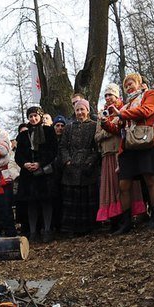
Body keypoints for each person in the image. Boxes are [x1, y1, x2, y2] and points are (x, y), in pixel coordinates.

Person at [103, 73, 154, 234]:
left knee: (150, 179)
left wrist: (121, 114)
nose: (129, 87)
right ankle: (126, 222)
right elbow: (118, 129)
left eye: (131, 84)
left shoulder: (148, 94)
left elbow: (147, 110)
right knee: (123, 184)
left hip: (145, 141)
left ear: (139, 83)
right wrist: (105, 123)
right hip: (128, 146)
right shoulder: (125, 105)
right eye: (126, 85)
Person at [95, 84, 145, 230]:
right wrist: (108, 128)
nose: (108, 98)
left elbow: (123, 129)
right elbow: (97, 136)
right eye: (106, 95)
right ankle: (115, 219)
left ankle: (130, 216)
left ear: (117, 96)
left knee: (125, 186)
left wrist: (110, 127)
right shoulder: (102, 113)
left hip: (121, 152)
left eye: (111, 95)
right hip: (107, 155)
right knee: (110, 189)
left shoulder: (123, 109)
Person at [57, 99, 101, 236]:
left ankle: (90, 227)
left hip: (88, 166)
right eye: (77, 110)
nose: (80, 112)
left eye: (82, 109)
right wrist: (67, 162)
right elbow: (63, 146)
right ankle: (71, 229)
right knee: (72, 201)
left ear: (87, 110)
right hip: (71, 167)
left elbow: (97, 146)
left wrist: (90, 162)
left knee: (88, 200)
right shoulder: (69, 127)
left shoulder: (94, 125)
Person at [15, 107, 58, 242]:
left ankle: (47, 230)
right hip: (28, 174)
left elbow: (53, 151)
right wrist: (25, 164)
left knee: (46, 201)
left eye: (35, 116)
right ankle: (33, 232)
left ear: (40, 116)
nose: (33, 119)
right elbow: (18, 155)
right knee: (31, 203)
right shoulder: (23, 135)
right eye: (30, 116)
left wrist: (40, 163)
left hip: (44, 173)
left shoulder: (48, 131)